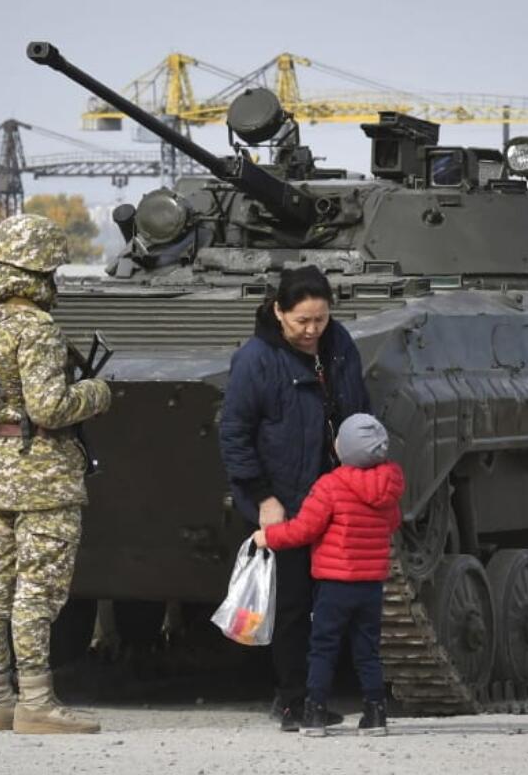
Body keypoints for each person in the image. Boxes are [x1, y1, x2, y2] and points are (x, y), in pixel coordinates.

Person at [0, 213, 112, 735]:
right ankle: (38, 704)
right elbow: (49, 407)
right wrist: (97, 393)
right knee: (37, 592)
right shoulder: (37, 328)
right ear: (42, 269)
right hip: (42, 471)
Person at [218, 265, 371, 731]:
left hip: (337, 495)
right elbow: (235, 434)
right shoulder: (257, 359)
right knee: (291, 604)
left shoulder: (338, 345)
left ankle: (329, 695)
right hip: (283, 500)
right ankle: (293, 701)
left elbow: (359, 411)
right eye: (302, 320)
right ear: (278, 311)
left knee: (334, 602)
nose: (311, 331)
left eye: (320, 319)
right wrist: (262, 496)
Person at [252, 414, 404, 737]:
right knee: (367, 650)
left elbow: (305, 529)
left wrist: (271, 537)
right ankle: (376, 714)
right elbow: (392, 524)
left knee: (323, 647)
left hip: (334, 584)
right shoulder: (388, 488)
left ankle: (315, 713)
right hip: (370, 586)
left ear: (342, 450)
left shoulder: (331, 485)